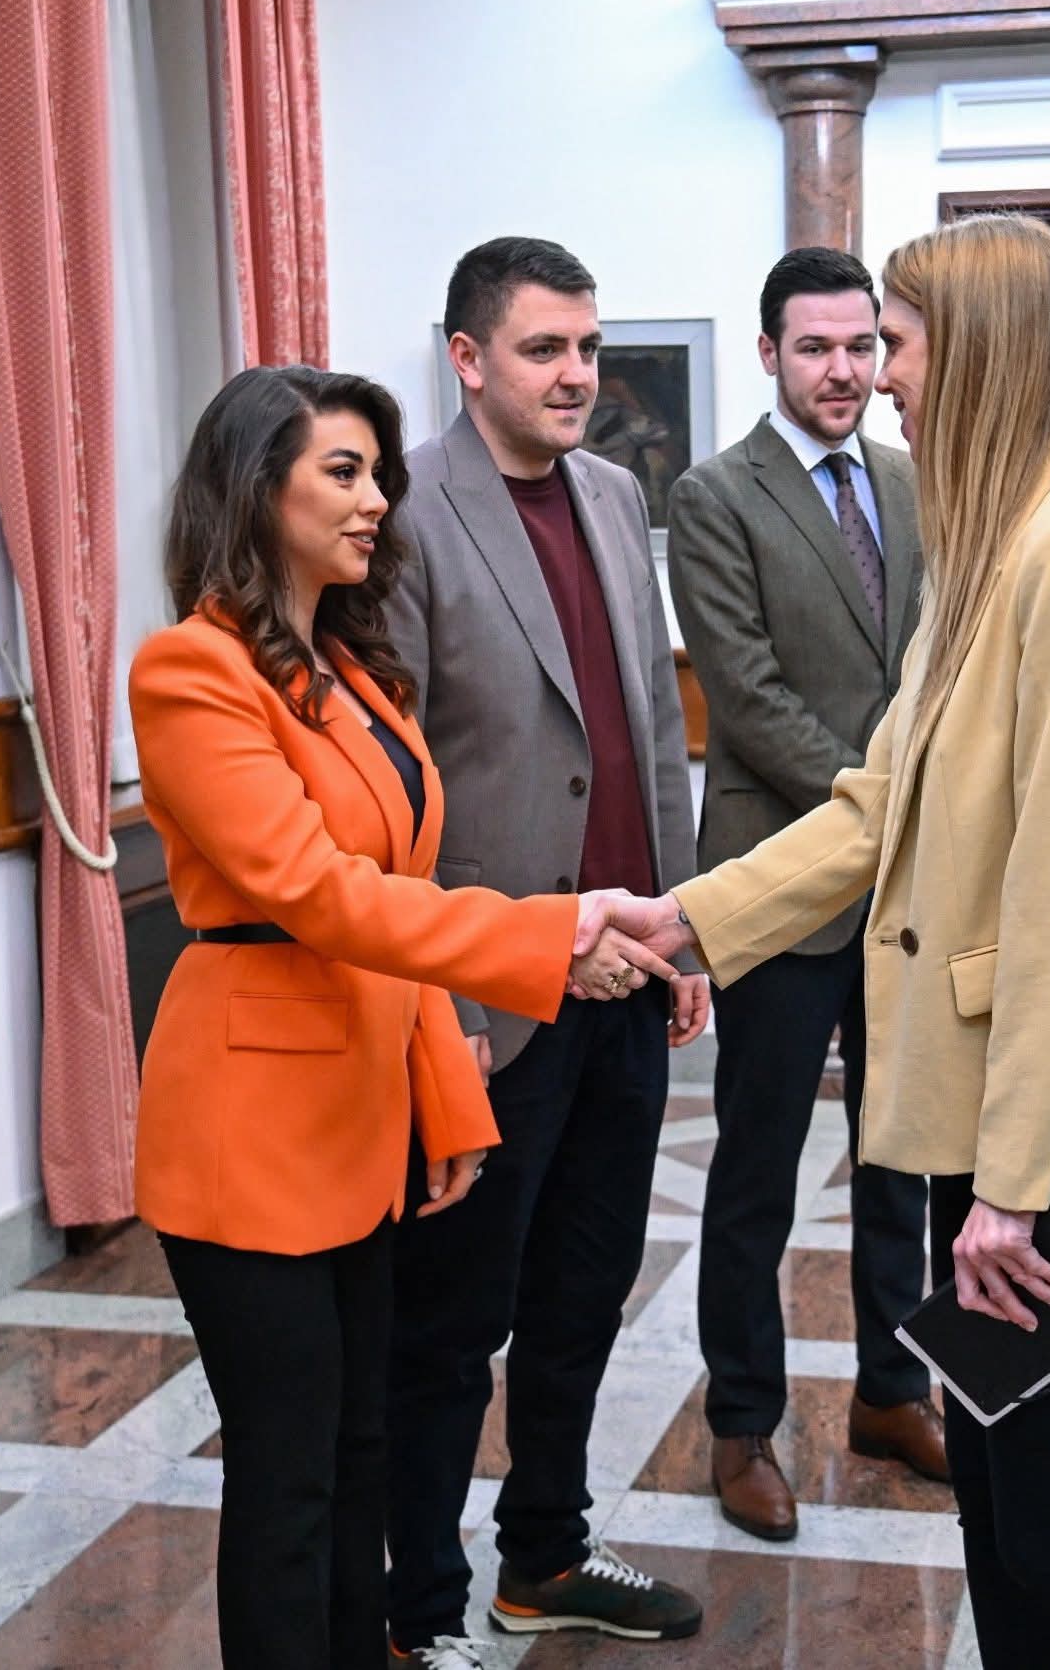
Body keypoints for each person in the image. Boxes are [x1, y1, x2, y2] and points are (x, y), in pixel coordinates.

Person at [598, 212, 1050, 1669]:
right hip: (998, 1122)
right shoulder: (996, 542)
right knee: (994, 1499)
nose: (883, 376)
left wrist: (1012, 1187)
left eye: (903, 344)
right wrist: (689, 918)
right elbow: (880, 804)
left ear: (980, 350)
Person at [127, 364, 674, 1670]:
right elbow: (320, 894)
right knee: (289, 1478)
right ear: (255, 489)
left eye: (379, 473)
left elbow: (403, 893)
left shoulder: (348, 668)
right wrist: (549, 935)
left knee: (362, 1449)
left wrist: (451, 1101)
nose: (378, 499)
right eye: (343, 472)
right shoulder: (190, 669)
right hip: (252, 1127)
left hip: (364, 1112)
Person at [383, 236, 707, 1664]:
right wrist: (439, 993)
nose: (577, 375)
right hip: (489, 989)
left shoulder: (616, 493)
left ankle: (547, 1555)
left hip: (624, 972)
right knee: (452, 1324)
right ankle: (417, 1611)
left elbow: (652, 721)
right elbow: (390, 777)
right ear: (467, 359)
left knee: (584, 1291)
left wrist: (686, 929)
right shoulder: (402, 509)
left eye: (587, 348)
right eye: (542, 349)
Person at [669, 246, 944, 1543]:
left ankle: (892, 1391)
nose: (844, 370)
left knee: (902, 1158)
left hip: (909, 893)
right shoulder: (716, 494)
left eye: (862, 346)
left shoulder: (915, 480)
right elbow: (749, 697)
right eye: (817, 347)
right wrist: (885, 814)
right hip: (781, 885)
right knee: (757, 1172)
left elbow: (938, 666)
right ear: (770, 353)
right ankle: (742, 1424)